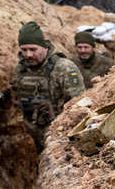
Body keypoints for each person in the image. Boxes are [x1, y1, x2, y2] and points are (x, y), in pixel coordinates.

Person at [12, 21, 85, 150]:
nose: (28, 54)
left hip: (59, 137)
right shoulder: (21, 69)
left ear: (45, 47)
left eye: (33, 49)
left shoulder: (64, 68)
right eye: (24, 50)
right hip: (33, 133)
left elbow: (80, 105)